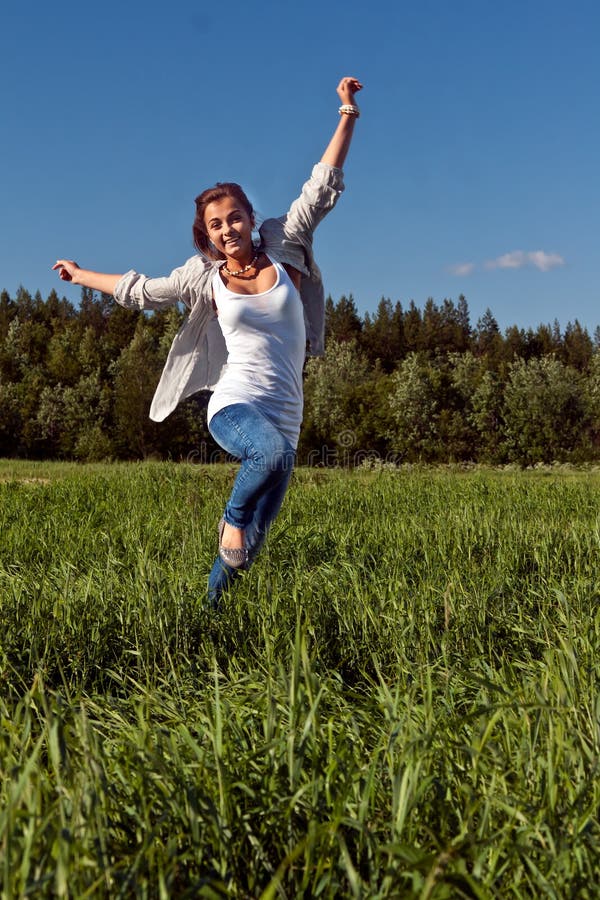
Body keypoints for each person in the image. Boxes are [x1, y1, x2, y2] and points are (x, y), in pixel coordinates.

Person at [54, 76, 363, 608]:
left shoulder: (286, 245)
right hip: (234, 404)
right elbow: (141, 291)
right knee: (258, 476)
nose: (227, 229)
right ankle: (231, 517)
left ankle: (209, 615)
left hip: (287, 412)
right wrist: (82, 276)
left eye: (234, 217)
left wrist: (346, 114)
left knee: (252, 545)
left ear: (250, 217)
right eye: (215, 224)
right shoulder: (205, 277)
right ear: (208, 234)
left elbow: (322, 186)